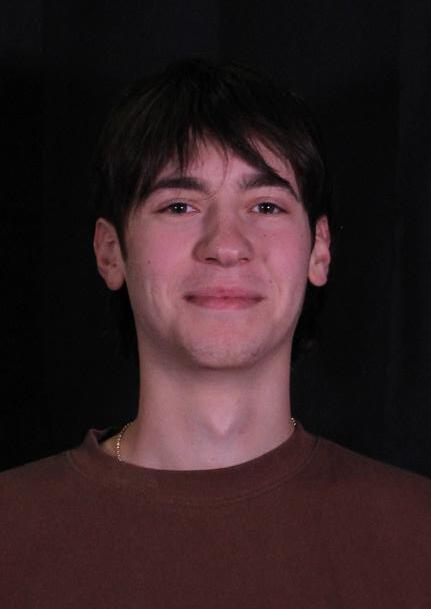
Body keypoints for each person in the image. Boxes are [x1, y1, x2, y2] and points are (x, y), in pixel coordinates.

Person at [1, 59, 431, 608]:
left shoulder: (416, 532)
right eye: (180, 205)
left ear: (319, 250)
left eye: (266, 206)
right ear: (110, 252)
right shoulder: (11, 531)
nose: (226, 246)